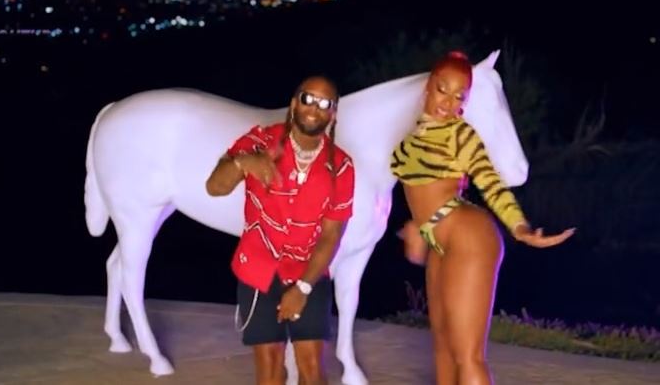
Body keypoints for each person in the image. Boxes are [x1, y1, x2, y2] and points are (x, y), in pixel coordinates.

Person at [391, 51, 575, 385]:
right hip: (438, 239)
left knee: (468, 355)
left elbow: (490, 183)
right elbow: (415, 187)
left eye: (458, 96)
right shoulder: (412, 136)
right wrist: (415, 224)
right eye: (442, 90)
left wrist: (519, 227)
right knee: (443, 348)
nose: (448, 102)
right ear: (428, 87)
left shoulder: (461, 135)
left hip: (468, 236)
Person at [205, 75, 355, 385]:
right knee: (270, 367)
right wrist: (243, 163)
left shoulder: (341, 166)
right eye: (308, 98)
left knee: (312, 367)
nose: (314, 108)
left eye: (324, 103)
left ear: (333, 113)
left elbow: (331, 235)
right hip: (258, 268)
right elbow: (214, 187)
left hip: (309, 271)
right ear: (294, 103)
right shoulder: (260, 141)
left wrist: (302, 289)